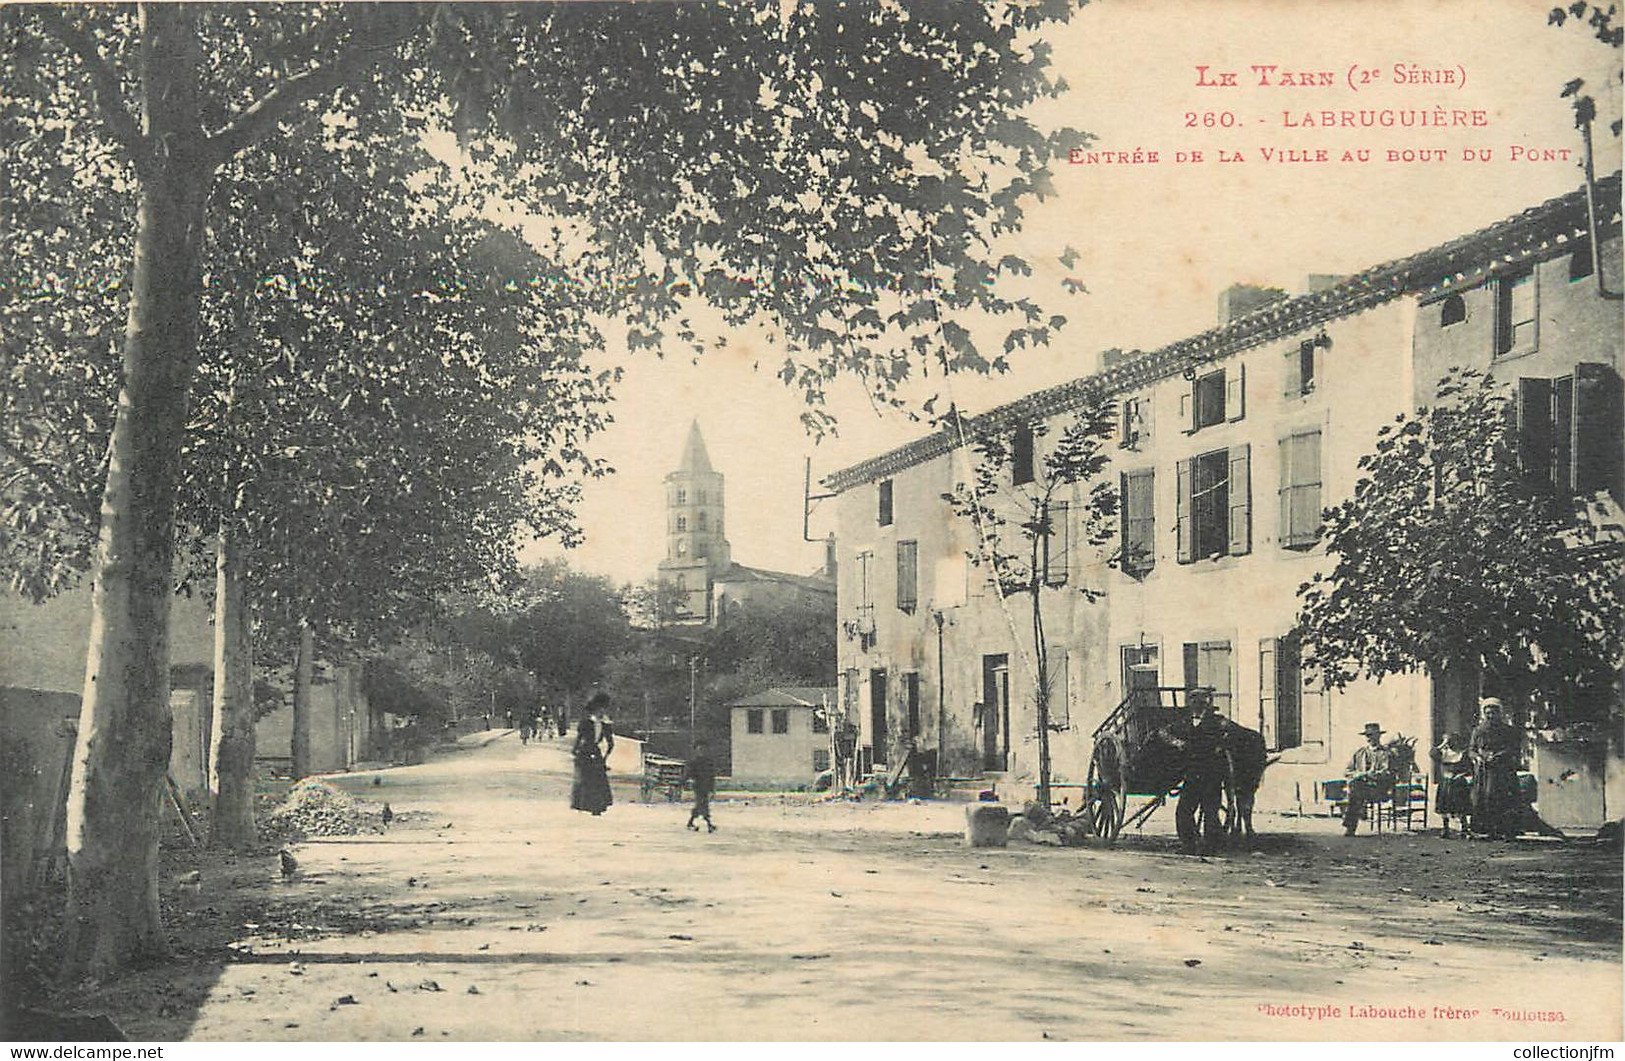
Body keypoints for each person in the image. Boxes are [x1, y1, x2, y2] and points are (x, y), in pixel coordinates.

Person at [1173, 688, 1226, 855]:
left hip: (1211, 774)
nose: (1197, 705)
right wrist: (1177, 743)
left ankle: (1210, 847)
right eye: (1194, 702)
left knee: (1210, 811)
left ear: (1207, 704)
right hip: (1193, 774)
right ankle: (1189, 845)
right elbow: (1164, 732)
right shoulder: (1185, 722)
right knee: (1185, 811)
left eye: (1201, 702)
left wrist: (1220, 746)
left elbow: (1230, 736)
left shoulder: (1219, 722)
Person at [1469, 698, 1523, 840]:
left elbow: (1514, 749)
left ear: (1500, 713)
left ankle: (1506, 830)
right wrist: (1477, 757)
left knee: (1503, 798)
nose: (1490, 716)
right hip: (1484, 771)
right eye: (1487, 713)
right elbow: (1471, 750)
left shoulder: (1508, 731)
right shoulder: (1478, 731)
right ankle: (1487, 830)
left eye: (1493, 713)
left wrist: (1499, 755)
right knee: (1484, 798)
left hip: (1503, 770)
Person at [1342, 722, 1394, 836]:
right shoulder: (1359, 753)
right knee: (1356, 789)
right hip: (1361, 788)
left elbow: (1387, 773)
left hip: (1379, 789)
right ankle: (1351, 825)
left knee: (1355, 792)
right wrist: (1358, 774)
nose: (1369, 738)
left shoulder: (1385, 754)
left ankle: (1350, 826)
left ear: (1379, 736)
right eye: (1367, 736)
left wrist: (1369, 775)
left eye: (1372, 735)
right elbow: (1347, 771)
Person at [570, 692, 615, 816]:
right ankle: (585, 805)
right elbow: (579, 738)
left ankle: (597, 807)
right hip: (585, 751)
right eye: (599, 709)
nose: (602, 712)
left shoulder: (605, 725)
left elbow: (610, 743)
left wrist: (606, 756)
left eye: (603, 709)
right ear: (594, 710)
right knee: (586, 779)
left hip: (596, 751)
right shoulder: (586, 723)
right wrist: (575, 750)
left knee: (598, 780)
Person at [1431, 731, 1473, 838]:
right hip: (1446, 782)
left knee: (1461, 806)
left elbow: (1469, 769)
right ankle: (1445, 829)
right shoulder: (1444, 754)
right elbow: (1432, 753)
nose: (1450, 744)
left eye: (1451, 742)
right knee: (1445, 806)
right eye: (1448, 742)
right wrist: (1442, 745)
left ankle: (1464, 829)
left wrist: (1461, 775)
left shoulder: (1462, 754)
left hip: (1459, 782)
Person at [685, 738, 718, 832]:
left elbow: (712, 776)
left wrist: (712, 788)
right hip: (698, 786)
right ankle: (708, 824)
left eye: (704, 749)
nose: (702, 751)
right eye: (700, 750)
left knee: (702, 804)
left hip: (706, 786)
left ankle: (692, 823)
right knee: (702, 804)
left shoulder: (709, 762)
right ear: (696, 751)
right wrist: (684, 781)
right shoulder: (694, 762)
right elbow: (688, 773)